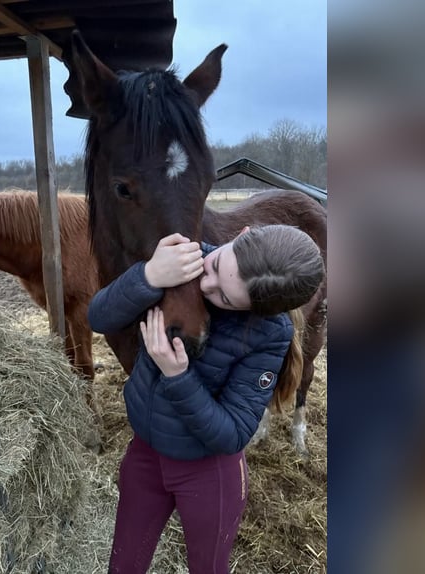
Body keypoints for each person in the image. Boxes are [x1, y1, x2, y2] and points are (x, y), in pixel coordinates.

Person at [87, 224, 325, 574]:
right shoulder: (184, 263)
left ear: (256, 311)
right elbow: (98, 317)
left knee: (208, 568)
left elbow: (231, 434)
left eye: (225, 298)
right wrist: (149, 274)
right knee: (123, 566)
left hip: (207, 474)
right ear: (240, 234)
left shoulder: (269, 334)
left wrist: (177, 376)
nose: (205, 284)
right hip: (145, 455)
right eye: (215, 266)